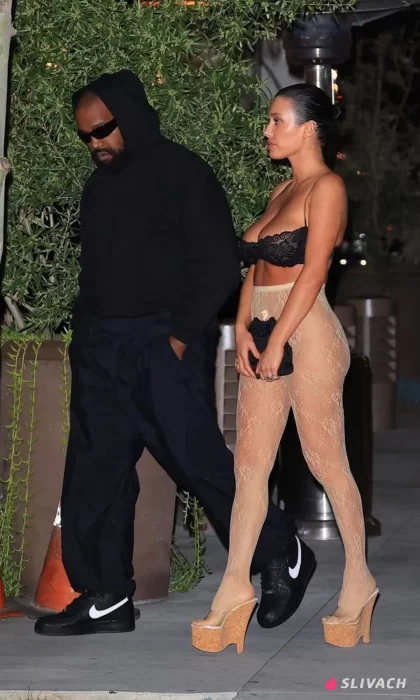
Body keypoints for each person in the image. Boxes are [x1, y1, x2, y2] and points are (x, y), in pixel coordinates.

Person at [34, 71, 316, 637]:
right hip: (102, 349)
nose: (95, 143)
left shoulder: (183, 173)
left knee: (198, 462)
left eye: (103, 130)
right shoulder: (97, 189)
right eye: (86, 136)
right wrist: (87, 340)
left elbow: (218, 265)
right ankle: (107, 595)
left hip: (163, 344)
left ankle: (282, 553)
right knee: (95, 471)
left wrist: (179, 340)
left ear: (130, 117)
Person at [192, 84, 378, 653]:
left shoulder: (327, 188)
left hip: (310, 333)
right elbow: (254, 269)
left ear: (309, 128)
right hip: (265, 332)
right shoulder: (281, 189)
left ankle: (358, 580)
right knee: (249, 466)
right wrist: (244, 329)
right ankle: (234, 587)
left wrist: (278, 339)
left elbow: (314, 271)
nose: (267, 131)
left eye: (277, 121)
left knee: (326, 461)